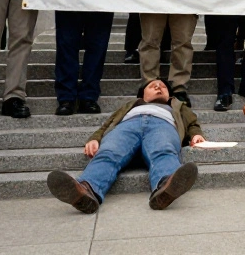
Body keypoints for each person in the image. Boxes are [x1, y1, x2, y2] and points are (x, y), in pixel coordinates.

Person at [45, 79, 203, 213]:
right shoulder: (131, 105)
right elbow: (107, 124)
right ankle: (86, 190)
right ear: (142, 95)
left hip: (163, 125)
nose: (158, 87)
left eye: (162, 86)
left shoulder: (178, 106)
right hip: (128, 126)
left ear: (169, 94)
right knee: (108, 152)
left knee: (163, 150)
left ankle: (166, 186)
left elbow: (192, 123)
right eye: (152, 86)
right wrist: (95, 138)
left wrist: (196, 135)